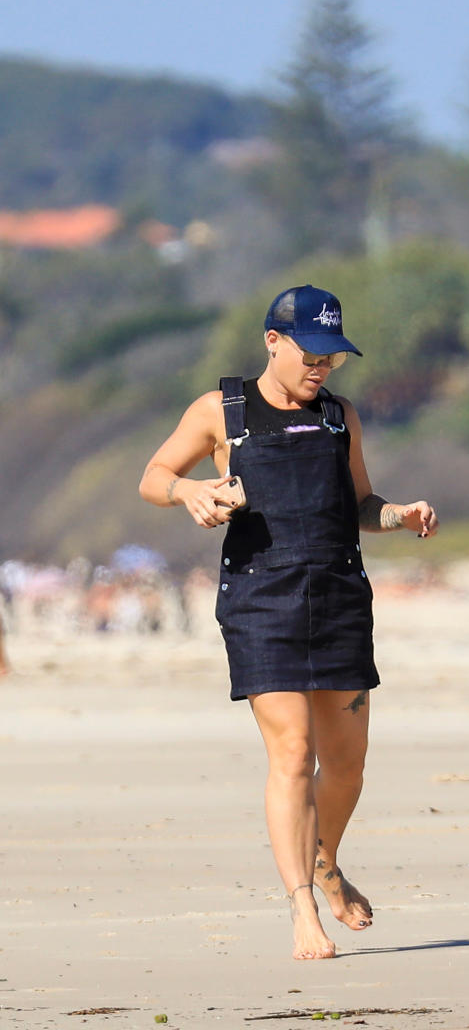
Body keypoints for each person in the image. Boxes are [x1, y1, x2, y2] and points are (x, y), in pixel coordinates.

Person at [139, 285, 438, 959]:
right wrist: (190, 489)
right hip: (259, 600)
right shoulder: (224, 410)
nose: (322, 367)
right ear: (273, 341)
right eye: (311, 353)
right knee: (294, 755)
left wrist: (401, 514)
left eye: (332, 356)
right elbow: (154, 475)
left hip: (338, 597)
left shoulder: (340, 417)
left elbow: (361, 502)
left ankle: (326, 862)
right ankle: (303, 907)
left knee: (348, 766)